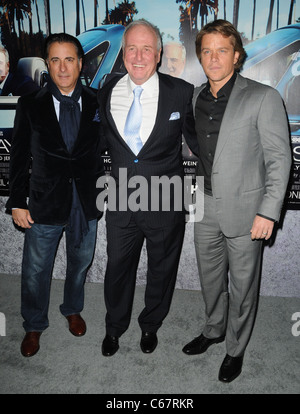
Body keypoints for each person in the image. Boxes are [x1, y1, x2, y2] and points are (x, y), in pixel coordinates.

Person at [182, 20, 292, 382]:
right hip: (205, 206)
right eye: (207, 51)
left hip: (248, 211)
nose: (213, 58)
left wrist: (268, 211)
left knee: (242, 285)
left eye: (222, 51)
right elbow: (201, 149)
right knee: (210, 278)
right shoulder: (197, 96)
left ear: (237, 56)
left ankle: (235, 348)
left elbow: (279, 160)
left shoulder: (262, 96)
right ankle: (214, 329)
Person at [97, 19, 198, 356]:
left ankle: (150, 325)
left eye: (146, 49)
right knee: (117, 269)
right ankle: (114, 327)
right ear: (123, 53)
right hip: (121, 198)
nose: (138, 56)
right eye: (131, 49)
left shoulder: (181, 92)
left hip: (166, 199)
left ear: (158, 55)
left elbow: (201, 144)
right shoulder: (107, 90)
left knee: (161, 269)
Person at [6, 33, 105, 357]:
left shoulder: (96, 101)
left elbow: (106, 150)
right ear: (47, 64)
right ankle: (34, 324)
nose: (63, 67)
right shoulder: (30, 104)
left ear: (80, 63)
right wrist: (17, 201)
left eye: (69, 59)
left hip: (86, 203)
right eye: (55, 60)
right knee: (36, 270)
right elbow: (19, 157)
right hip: (44, 203)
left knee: (80, 264)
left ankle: (72, 308)